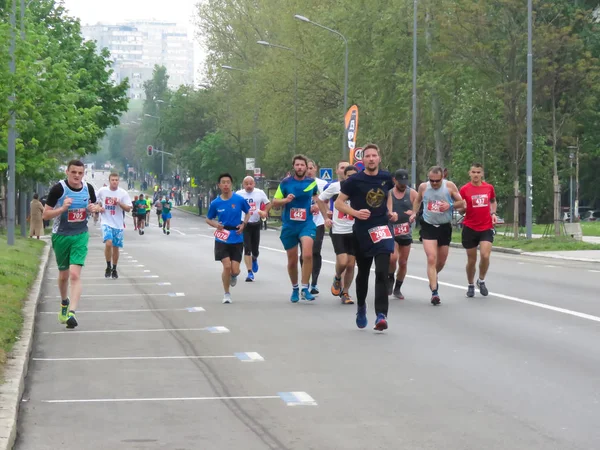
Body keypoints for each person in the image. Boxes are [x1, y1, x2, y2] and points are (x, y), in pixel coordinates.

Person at [335, 144, 397, 331]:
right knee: (362, 274)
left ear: (379, 158)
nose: (371, 159)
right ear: (363, 160)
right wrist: (354, 212)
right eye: (367, 156)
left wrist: (390, 212)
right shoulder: (354, 180)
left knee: (381, 272)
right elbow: (338, 203)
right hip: (362, 231)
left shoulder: (386, 178)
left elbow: (388, 195)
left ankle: (381, 315)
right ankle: (361, 306)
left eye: (374, 155)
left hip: (382, 230)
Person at [42, 160, 99, 329]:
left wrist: (93, 210)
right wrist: (62, 209)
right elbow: (45, 215)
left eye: (80, 173)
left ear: (83, 174)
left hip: (80, 235)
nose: (77, 176)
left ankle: (72, 313)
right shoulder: (58, 189)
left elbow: (94, 208)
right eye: (73, 172)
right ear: (67, 172)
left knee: (75, 275)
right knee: (64, 276)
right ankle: (64, 302)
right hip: (61, 236)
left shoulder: (88, 189)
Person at [272, 154, 329, 303]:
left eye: (302, 165)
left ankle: (305, 288)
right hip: (290, 225)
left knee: (308, 254)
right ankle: (295, 288)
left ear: (306, 167)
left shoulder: (311, 183)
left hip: (306, 224)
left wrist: (326, 217)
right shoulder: (285, 183)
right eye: (297, 165)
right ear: (293, 167)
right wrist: (286, 200)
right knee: (292, 261)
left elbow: (319, 200)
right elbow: (275, 202)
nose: (299, 167)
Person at [411, 166, 465, 306]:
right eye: (432, 180)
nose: (434, 184)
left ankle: (433, 276)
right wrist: (413, 213)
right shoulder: (423, 187)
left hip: (444, 227)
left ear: (443, 177)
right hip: (428, 226)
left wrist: (450, 205)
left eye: (437, 181)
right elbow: (417, 200)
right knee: (431, 258)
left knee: (440, 261)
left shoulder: (449, 186)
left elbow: (462, 203)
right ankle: (434, 291)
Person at [206, 173, 251, 304]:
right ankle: (226, 294)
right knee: (226, 266)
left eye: (228, 182)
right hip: (222, 238)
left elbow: (248, 212)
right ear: (219, 185)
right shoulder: (216, 203)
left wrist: (244, 224)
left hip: (237, 237)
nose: (225, 184)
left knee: (235, 270)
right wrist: (216, 225)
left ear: (231, 184)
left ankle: (233, 275)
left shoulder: (239, 199)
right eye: (223, 182)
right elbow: (208, 219)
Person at [319, 162, 358, 304]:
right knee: (343, 261)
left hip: (354, 230)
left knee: (351, 264)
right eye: (349, 176)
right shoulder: (335, 188)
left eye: (354, 176)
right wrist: (326, 217)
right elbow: (320, 199)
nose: (351, 179)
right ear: (343, 176)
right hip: (338, 230)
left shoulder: (360, 189)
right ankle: (337, 277)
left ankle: (346, 292)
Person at [459, 163, 497, 297]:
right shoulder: (464, 189)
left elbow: (492, 201)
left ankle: (481, 280)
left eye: (478, 172)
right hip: (470, 226)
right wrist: (462, 208)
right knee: (471, 260)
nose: (476, 175)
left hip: (486, 226)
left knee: (485, 255)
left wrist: (493, 213)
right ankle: (470, 284)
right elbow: (460, 207)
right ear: (469, 173)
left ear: (482, 174)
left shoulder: (488, 187)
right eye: (473, 172)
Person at [388, 169, 418, 300]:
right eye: (401, 183)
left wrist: (413, 214)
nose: (403, 186)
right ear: (394, 181)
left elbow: (419, 208)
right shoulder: (389, 193)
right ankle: (390, 278)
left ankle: (397, 288)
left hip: (405, 231)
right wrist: (391, 215)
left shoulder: (411, 193)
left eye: (405, 183)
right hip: (391, 230)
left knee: (403, 262)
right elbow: (385, 210)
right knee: (392, 258)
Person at [96, 172, 132, 279]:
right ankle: (108, 265)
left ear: (118, 181)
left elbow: (129, 209)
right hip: (106, 221)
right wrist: (99, 207)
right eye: (113, 180)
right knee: (108, 243)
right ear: (109, 181)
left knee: (116, 248)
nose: (114, 182)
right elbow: (96, 202)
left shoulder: (123, 193)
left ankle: (114, 268)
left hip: (118, 224)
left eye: (116, 180)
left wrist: (119, 203)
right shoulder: (102, 191)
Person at [235, 176, 271, 281]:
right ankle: (249, 273)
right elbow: (233, 206)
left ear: (254, 184)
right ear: (243, 184)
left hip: (256, 223)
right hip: (244, 224)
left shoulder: (259, 192)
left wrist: (265, 212)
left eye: (251, 183)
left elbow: (268, 203)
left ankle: (255, 258)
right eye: (246, 184)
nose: (249, 186)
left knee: (255, 250)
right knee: (247, 248)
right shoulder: (239, 194)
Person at [302, 160, 329, 294]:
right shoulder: (299, 183)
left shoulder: (323, 184)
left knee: (315, 252)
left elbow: (327, 200)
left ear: (315, 169)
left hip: (318, 222)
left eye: (311, 168)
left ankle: (314, 283)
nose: (309, 171)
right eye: (307, 168)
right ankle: (304, 283)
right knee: (305, 254)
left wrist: (320, 206)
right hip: (303, 223)